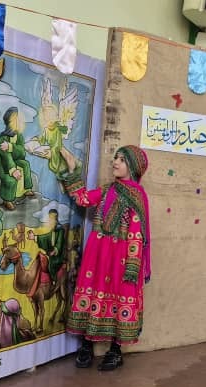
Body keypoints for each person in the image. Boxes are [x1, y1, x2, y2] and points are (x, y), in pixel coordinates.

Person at [64, 145, 150, 371]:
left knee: (120, 298)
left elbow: (136, 234)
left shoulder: (137, 196)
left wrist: (133, 266)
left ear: (133, 166)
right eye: (115, 158)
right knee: (93, 292)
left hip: (120, 258)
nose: (115, 162)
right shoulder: (107, 189)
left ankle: (115, 351)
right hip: (98, 254)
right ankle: (86, 345)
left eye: (121, 159)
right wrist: (72, 170)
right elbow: (83, 199)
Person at [0, 107, 34, 210]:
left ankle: (27, 188)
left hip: (16, 161)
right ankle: (7, 200)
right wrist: (13, 170)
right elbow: (6, 157)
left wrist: (11, 147)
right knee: (10, 180)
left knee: (25, 164)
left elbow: (22, 152)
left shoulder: (19, 136)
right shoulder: (3, 138)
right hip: (5, 167)